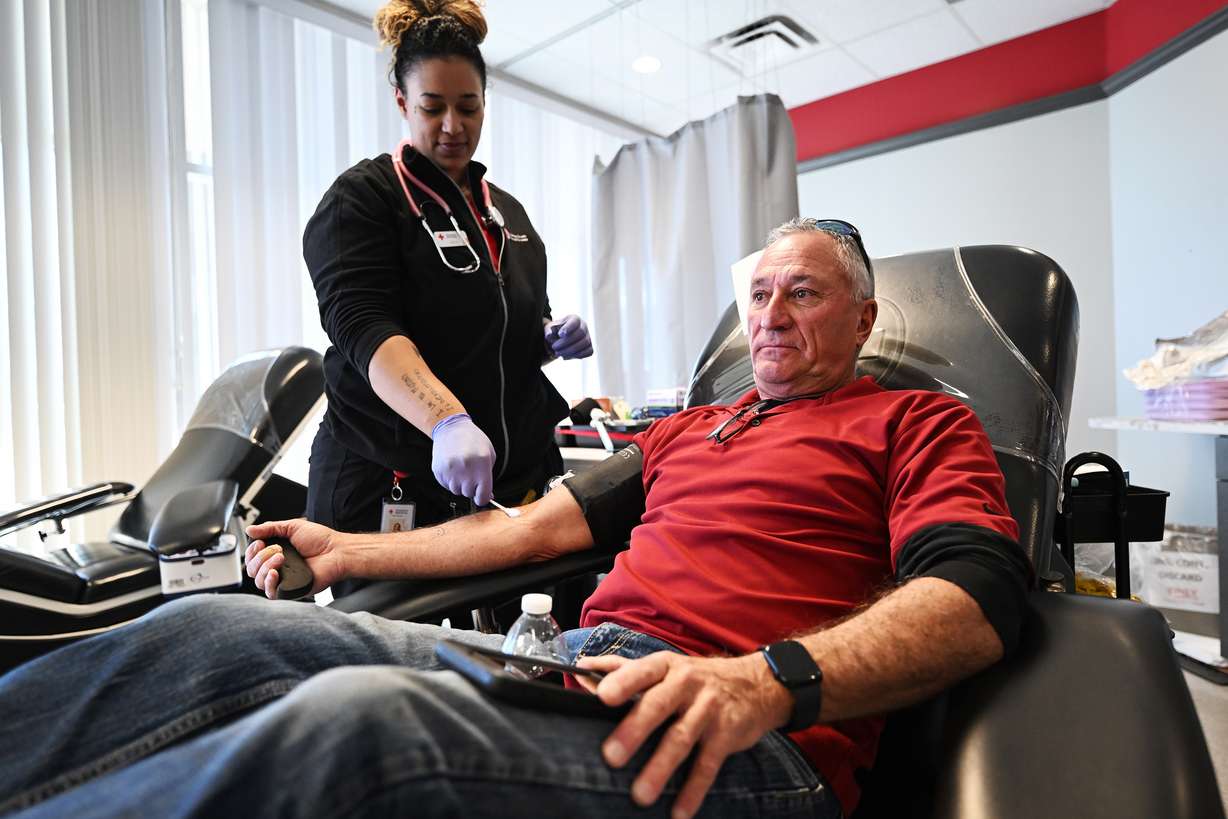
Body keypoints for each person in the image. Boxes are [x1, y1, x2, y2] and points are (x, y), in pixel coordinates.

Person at [0, 219, 1031, 819]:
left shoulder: (917, 419)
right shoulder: (691, 431)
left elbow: (975, 600)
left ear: (862, 319)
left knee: (359, 726)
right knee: (212, 634)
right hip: (575, 668)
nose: (767, 315)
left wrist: (764, 682)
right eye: (759, 294)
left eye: (800, 294)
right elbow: (530, 530)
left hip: (735, 738)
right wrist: (345, 548)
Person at [303, 0, 592, 559]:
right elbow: (364, 328)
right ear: (402, 101)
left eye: (469, 106)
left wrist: (552, 336)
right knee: (394, 644)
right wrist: (446, 422)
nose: (453, 126)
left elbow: (507, 334)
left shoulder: (506, 211)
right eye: (433, 107)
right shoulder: (363, 200)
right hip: (390, 480)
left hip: (505, 484)